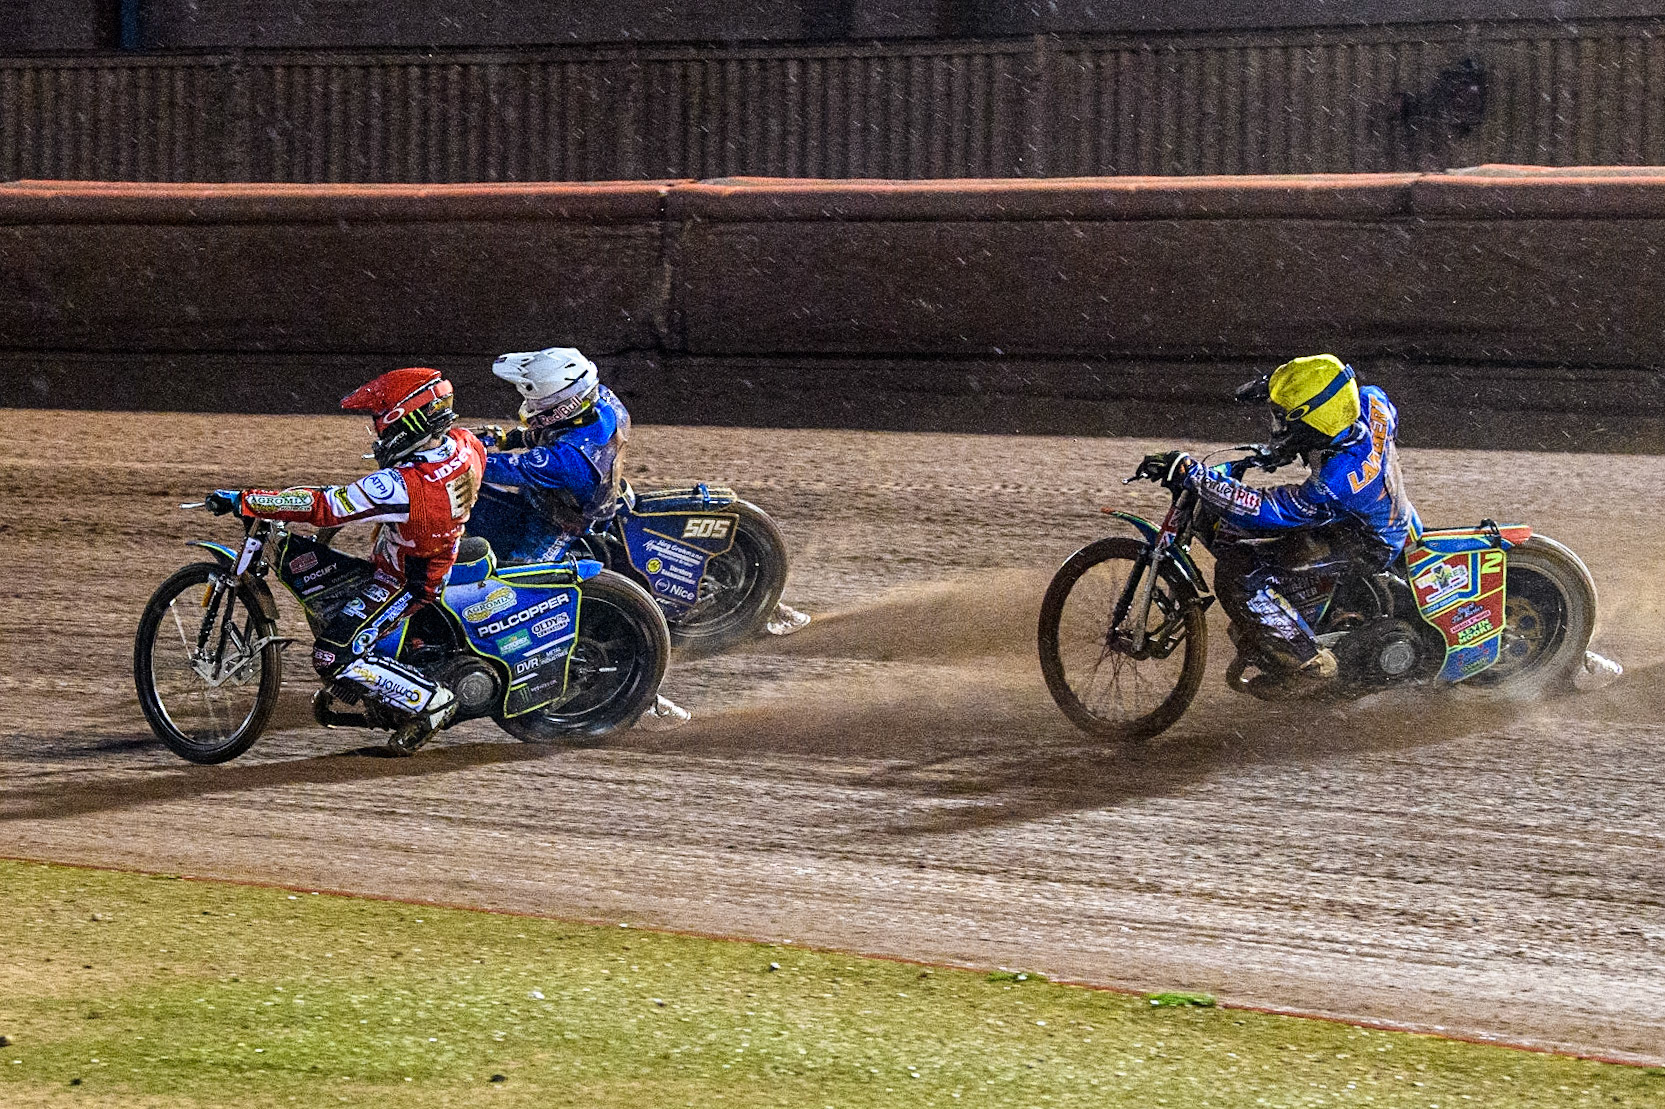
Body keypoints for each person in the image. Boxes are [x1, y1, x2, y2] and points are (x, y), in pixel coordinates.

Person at [206, 367, 487, 754]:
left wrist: (247, 499)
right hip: (428, 557)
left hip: (403, 582)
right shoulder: (464, 447)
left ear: (408, 420)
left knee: (330, 655)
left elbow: (326, 506)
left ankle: (430, 701)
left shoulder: (404, 485)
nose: (378, 433)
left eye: (381, 422)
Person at [1138, 354, 1422, 699]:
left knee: (1238, 572)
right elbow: (1335, 390)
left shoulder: (1336, 481)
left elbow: (1267, 510)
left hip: (1363, 540)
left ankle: (1311, 664)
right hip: (1380, 513)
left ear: (1314, 421)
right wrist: (1284, 412)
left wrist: (1196, 477)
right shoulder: (1369, 402)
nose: (1275, 424)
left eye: (1282, 417)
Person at [468, 346, 690, 728]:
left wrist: (461, 455)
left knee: (515, 593)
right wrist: (504, 438)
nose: (527, 401)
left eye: (533, 396)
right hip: (590, 492)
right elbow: (534, 441)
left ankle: (638, 697)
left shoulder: (569, 460)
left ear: (560, 403)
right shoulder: (599, 399)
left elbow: (506, 468)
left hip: (561, 522)